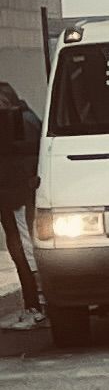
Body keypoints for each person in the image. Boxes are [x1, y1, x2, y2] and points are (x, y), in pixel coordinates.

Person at [0, 76, 40, 324]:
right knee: (29, 243)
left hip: (11, 195)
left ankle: (35, 303)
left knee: (21, 247)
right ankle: (38, 302)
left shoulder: (7, 122)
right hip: (28, 189)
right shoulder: (30, 117)